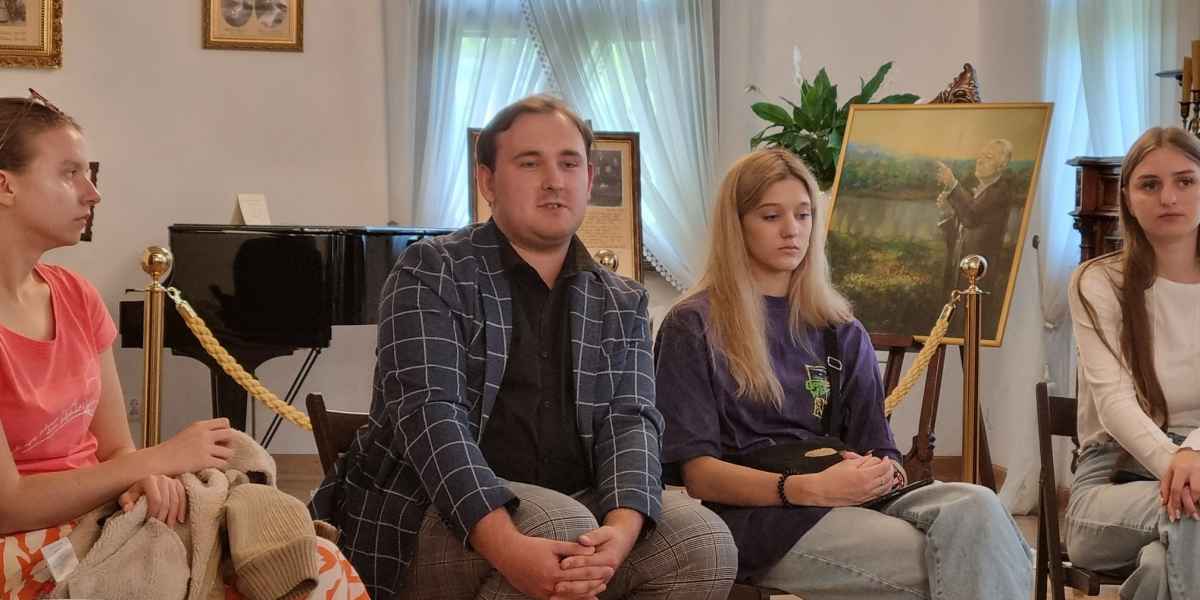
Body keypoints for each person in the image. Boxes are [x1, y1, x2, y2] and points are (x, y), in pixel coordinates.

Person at [309, 94, 737, 600]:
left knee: (703, 542)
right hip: (426, 513)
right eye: (530, 163)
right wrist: (508, 547)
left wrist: (621, 529)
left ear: (588, 180)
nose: (554, 180)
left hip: (573, 503)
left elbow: (631, 421)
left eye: (569, 164)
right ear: (488, 182)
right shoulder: (432, 271)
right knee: (558, 527)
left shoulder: (622, 300)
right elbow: (430, 417)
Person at [0, 89, 365, 598]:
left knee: (316, 563)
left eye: (90, 173)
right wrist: (157, 461)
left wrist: (142, 477)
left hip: (97, 514)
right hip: (23, 541)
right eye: (69, 173)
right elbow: (10, 504)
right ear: (5, 185)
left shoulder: (77, 296)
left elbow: (115, 449)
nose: (93, 193)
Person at [654, 148, 1033, 599]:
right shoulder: (693, 324)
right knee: (978, 556)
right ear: (736, 226)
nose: (792, 229)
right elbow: (699, 475)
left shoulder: (839, 328)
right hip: (764, 520)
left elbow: (882, 448)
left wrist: (881, 473)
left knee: (979, 507)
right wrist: (808, 489)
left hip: (853, 496)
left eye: (803, 214)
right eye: (771, 216)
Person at [1066, 126, 1200, 600]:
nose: (1169, 197)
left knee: (1162, 564)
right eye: (1150, 184)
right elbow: (1114, 404)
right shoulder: (1098, 282)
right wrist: (1177, 465)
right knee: (1193, 509)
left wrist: (1194, 453)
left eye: (1185, 181)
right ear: (1127, 196)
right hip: (1109, 483)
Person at [935, 139, 1020, 330]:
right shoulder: (977, 191)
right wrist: (948, 212)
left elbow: (971, 217)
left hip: (978, 277)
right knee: (951, 323)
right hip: (959, 272)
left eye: (988, 157)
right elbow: (960, 231)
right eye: (980, 156)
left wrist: (953, 184)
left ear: (1002, 166)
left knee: (969, 326)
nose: (979, 161)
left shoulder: (1000, 192)